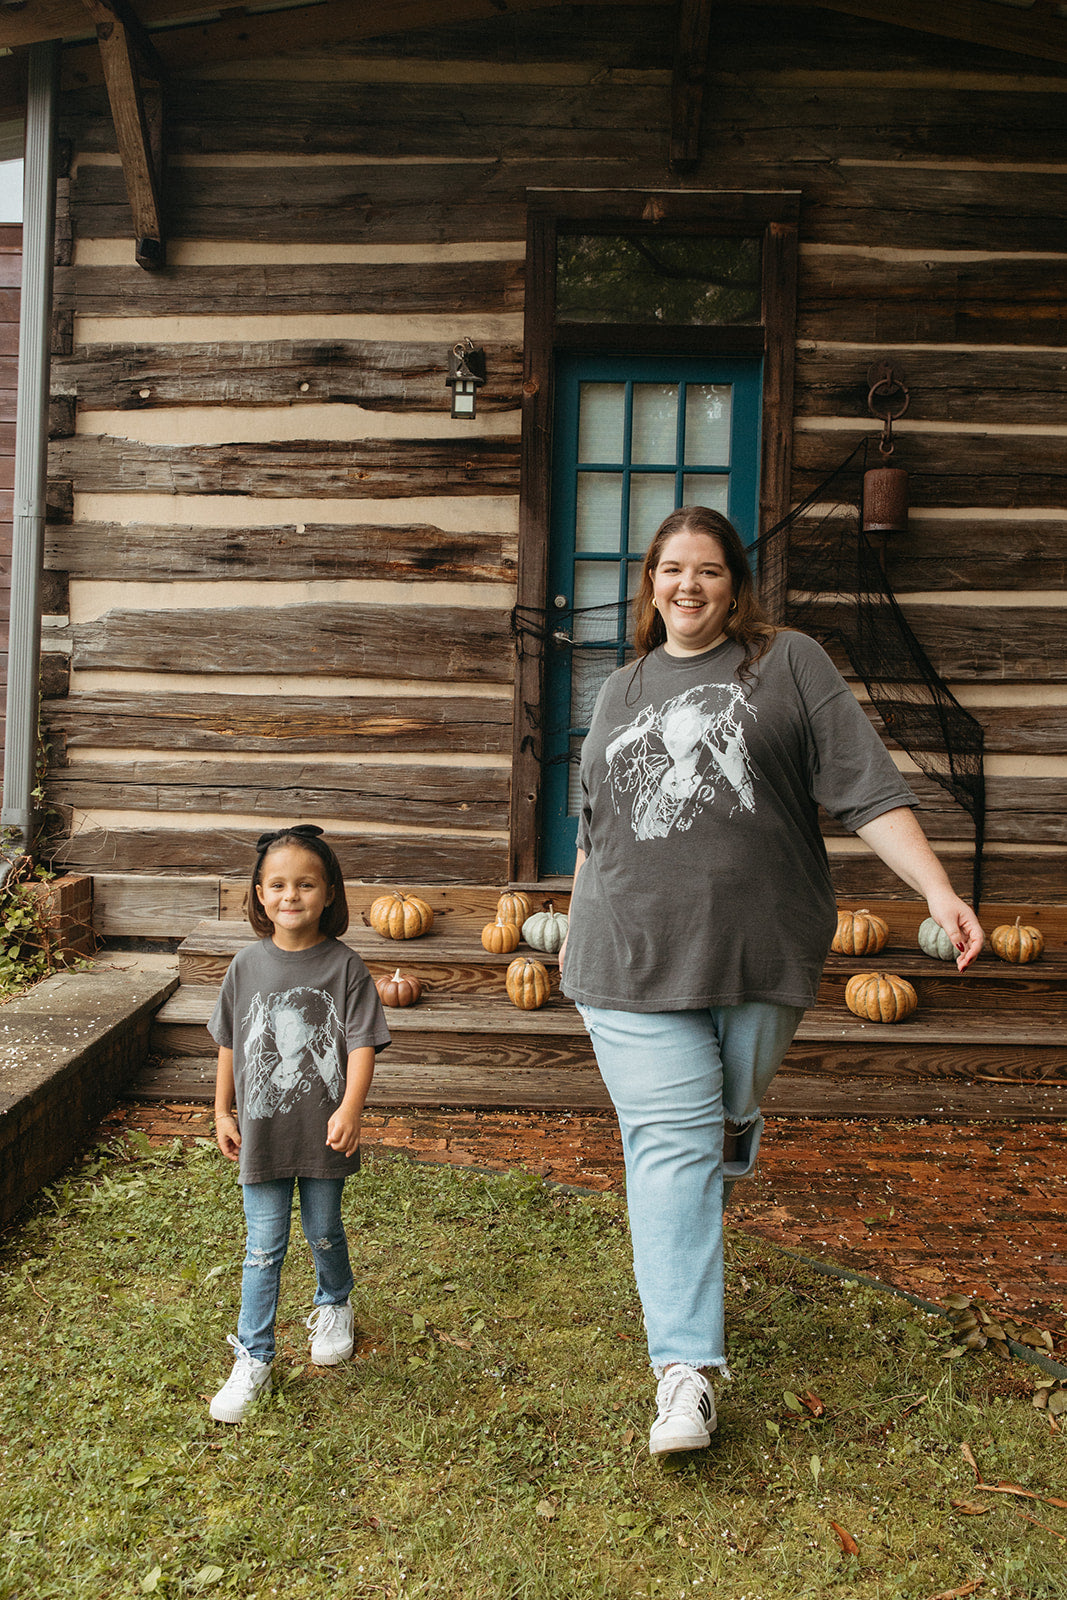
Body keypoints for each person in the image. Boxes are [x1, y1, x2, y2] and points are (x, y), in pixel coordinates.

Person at [559, 506, 983, 1458]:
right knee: (671, 1144)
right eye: (671, 569)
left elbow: (868, 789)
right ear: (649, 584)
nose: (687, 586)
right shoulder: (619, 688)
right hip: (625, 956)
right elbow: (595, 830)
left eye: (707, 570)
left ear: (734, 584)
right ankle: (685, 1375)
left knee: (719, 1115)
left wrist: (938, 890)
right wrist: (575, 935)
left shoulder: (786, 663)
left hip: (761, 950)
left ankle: (733, 1122)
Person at [208, 823, 391, 1424]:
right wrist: (222, 1110)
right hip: (260, 1137)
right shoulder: (245, 968)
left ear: (331, 892)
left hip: (322, 1133)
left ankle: (334, 1302)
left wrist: (351, 1107)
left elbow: (362, 1043)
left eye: (306, 884)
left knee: (323, 1230)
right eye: (278, 885)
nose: (292, 896)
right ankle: (253, 1356)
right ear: (259, 895)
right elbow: (230, 1044)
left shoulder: (346, 968)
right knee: (263, 1249)